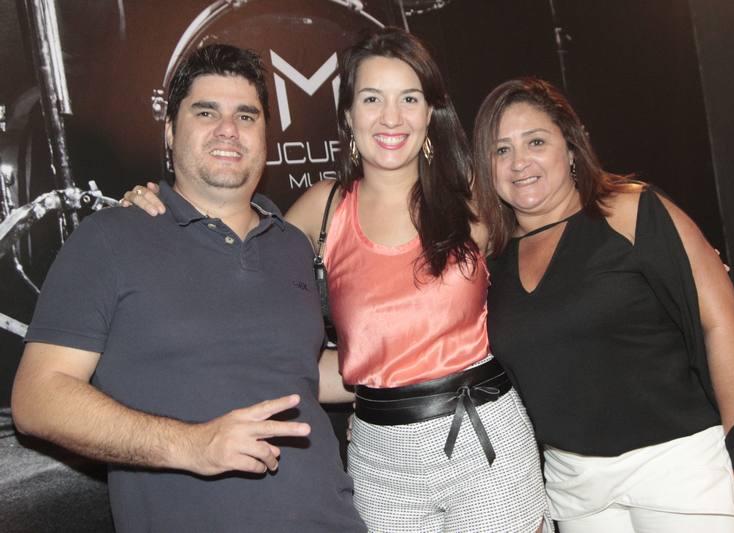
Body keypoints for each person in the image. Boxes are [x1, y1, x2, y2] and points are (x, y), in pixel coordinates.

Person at [123, 28, 552, 533]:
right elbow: (231, 255)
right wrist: (160, 206)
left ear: (430, 112)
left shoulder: (473, 198)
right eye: (372, 99)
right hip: (380, 460)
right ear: (348, 116)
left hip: (486, 443)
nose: (391, 118)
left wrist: (621, 200)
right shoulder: (321, 210)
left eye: (408, 98)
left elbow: (561, 222)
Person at [11, 44, 366, 533]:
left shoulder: (290, 244)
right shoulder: (111, 238)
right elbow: (37, 397)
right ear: (170, 130)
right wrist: (192, 445)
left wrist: (419, 364)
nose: (229, 129)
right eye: (206, 112)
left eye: (246, 116)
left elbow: (302, 371)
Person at [472, 76, 734, 533]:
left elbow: (725, 324)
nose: (519, 162)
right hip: (575, 487)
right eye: (501, 150)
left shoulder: (629, 211)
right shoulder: (492, 259)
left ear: (571, 145)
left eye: (536, 141)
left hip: (679, 468)